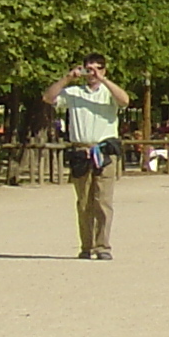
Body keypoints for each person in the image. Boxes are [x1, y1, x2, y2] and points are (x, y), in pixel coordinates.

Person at [43, 54, 128, 259]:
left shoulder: (108, 93)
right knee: (83, 201)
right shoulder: (73, 93)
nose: (91, 73)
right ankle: (87, 245)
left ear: (104, 69)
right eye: (88, 69)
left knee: (103, 200)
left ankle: (103, 246)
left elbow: (125, 100)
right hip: (80, 150)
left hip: (104, 151)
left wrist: (103, 80)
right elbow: (48, 98)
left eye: (96, 69)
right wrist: (67, 78)